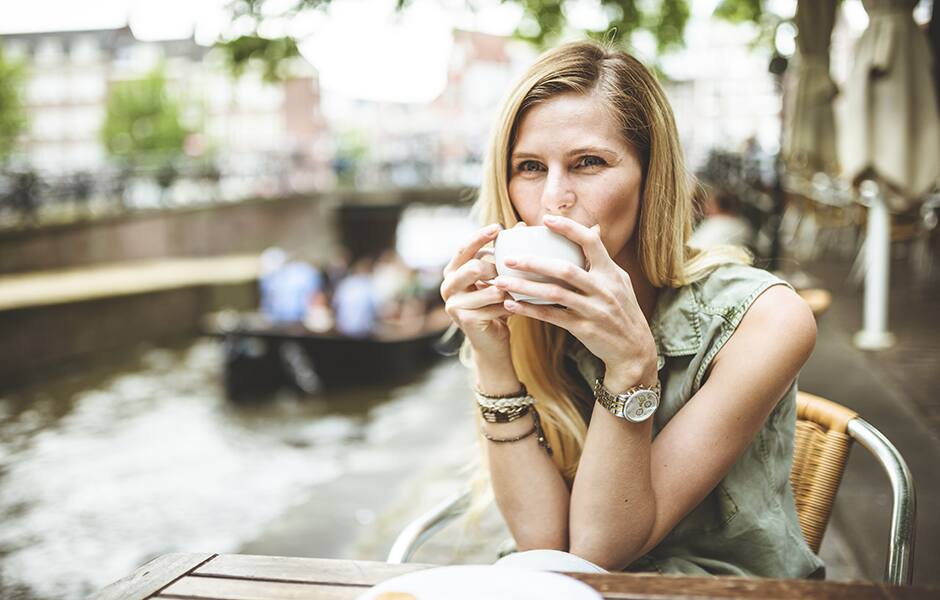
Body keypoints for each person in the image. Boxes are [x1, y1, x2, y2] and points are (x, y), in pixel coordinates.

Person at [439, 41, 823, 579]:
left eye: (588, 162)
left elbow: (599, 552)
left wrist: (630, 367)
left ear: (651, 175)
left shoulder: (766, 319)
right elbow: (545, 543)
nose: (554, 198)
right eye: (529, 166)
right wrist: (493, 358)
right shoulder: (529, 321)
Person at [259, 248, 324, 324]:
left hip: (300, 319)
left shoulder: (305, 273)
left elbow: (316, 296)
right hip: (279, 320)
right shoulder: (269, 278)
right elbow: (268, 298)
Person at [689, 186, 754, 250]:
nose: (706, 209)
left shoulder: (716, 224)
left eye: (710, 205)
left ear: (717, 206)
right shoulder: (744, 227)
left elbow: (693, 248)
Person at [331, 257, 378, 337]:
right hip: (363, 333)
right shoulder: (369, 285)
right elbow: (379, 309)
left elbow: (335, 305)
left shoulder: (345, 283)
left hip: (343, 331)